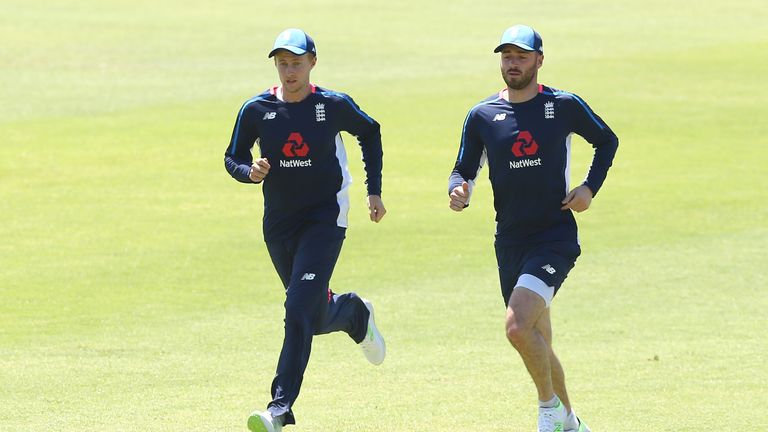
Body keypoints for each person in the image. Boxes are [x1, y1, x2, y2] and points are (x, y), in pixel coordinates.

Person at [448, 25, 618, 432]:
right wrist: (458, 190)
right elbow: (464, 169)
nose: (512, 64)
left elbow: (606, 140)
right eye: (507, 57)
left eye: (521, 57)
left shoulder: (562, 105)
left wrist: (589, 188)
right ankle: (572, 423)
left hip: (554, 236)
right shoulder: (482, 115)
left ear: (539, 60)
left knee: (517, 326)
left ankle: (548, 411)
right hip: (509, 240)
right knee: (535, 336)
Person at [224, 28, 387, 432]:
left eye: (296, 63)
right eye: (282, 63)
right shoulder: (257, 109)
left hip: (325, 217)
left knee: (296, 307)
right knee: (310, 316)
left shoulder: (331, 105)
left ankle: (279, 408)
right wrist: (250, 171)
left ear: (312, 62)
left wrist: (374, 191)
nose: (289, 70)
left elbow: (370, 131)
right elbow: (233, 156)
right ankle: (351, 313)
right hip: (279, 222)